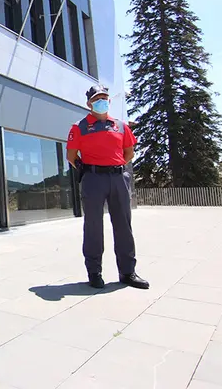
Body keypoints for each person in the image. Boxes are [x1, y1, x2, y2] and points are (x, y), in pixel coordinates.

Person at [66, 84, 149, 290]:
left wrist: (115, 166)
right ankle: (94, 272)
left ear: (109, 101)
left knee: (124, 226)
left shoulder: (120, 126)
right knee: (93, 227)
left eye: (104, 97)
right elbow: (71, 156)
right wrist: (89, 170)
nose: (101, 101)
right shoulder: (79, 127)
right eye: (97, 98)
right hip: (93, 179)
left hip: (118, 178)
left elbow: (129, 152)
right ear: (89, 103)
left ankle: (128, 272)